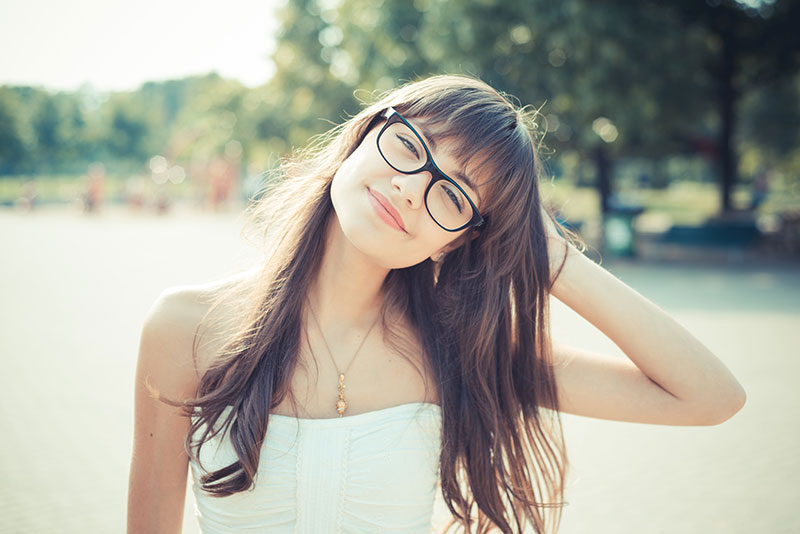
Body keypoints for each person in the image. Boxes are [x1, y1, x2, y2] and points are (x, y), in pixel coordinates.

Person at [127, 75, 746, 534]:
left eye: (453, 195)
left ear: (460, 238)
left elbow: (710, 396)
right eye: (409, 145)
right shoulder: (187, 328)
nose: (411, 188)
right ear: (365, 134)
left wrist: (553, 257)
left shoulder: (459, 349)